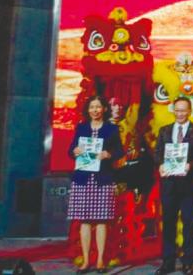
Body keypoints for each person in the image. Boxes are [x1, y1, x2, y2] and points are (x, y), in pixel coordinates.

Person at [67, 95, 124, 274]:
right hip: (83, 179)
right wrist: (75, 151)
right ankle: (85, 260)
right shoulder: (81, 127)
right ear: (88, 110)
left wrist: (109, 154)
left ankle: (100, 260)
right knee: (84, 221)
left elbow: (120, 152)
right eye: (92, 107)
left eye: (98, 107)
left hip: (102, 178)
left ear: (104, 109)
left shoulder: (111, 129)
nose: (95, 110)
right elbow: (71, 150)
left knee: (101, 221)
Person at [154, 98, 193, 275]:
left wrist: (190, 165)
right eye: (177, 110)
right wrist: (161, 165)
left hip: (188, 185)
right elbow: (157, 153)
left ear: (189, 111)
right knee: (168, 224)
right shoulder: (165, 131)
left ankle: (188, 262)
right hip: (169, 184)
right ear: (173, 110)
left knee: (188, 224)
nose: (180, 114)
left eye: (183, 110)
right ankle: (168, 262)